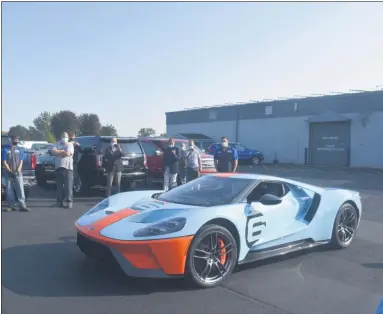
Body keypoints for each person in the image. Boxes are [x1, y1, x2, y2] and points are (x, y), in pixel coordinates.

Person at [1, 135, 30, 212]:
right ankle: (11, 205)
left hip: (18, 172)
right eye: (15, 139)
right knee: (9, 189)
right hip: (8, 172)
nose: (16, 140)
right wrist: (10, 171)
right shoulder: (5, 149)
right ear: (10, 140)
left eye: (17, 139)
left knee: (20, 189)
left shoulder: (20, 149)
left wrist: (18, 170)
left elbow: (21, 161)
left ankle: (22, 205)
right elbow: (4, 162)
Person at [51, 132, 74, 208]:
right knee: (59, 186)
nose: (64, 138)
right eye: (63, 137)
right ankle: (59, 202)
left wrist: (58, 152)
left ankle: (69, 202)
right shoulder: (57, 143)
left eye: (66, 137)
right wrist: (63, 151)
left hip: (68, 168)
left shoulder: (70, 144)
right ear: (60, 137)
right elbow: (53, 151)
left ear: (68, 137)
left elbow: (68, 154)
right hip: (58, 167)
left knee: (68, 187)